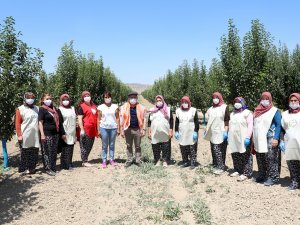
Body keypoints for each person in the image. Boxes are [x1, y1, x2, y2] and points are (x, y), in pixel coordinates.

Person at [253, 92, 281, 186]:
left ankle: (273, 177)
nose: (265, 100)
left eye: (267, 99)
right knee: (260, 156)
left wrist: (276, 138)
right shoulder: (257, 110)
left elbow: (278, 125)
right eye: (263, 98)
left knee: (271, 157)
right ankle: (262, 174)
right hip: (259, 137)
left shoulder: (274, 110)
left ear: (270, 99)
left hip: (270, 137)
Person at [228, 97, 253, 181]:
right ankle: (238, 170)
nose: (236, 103)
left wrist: (248, 137)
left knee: (245, 155)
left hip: (244, 138)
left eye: (239, 101)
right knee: (235, 154)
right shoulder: (232, 114)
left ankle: (246, 173)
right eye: (235, 102)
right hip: (234, 138)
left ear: (242, 103)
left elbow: (250, 125)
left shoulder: (247, 113)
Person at [204, 92, 230, 175]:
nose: (215, 99)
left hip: (221, 131)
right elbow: (209, 120)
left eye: (217, 97)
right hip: (212, 132)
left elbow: (227, 120)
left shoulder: (224, 107)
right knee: (213, 149)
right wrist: (206, 130)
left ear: (220, 98)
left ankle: (221, 167)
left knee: (219, 150)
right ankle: (216, 164)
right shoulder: (210, 109)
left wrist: (226, 131)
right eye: (213, 97)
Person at [120, 91, 146, 167]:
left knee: (138, 145)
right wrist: (121, 130)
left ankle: (138, 160)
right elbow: (121, 119)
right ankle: (129, 160)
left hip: (138, 129)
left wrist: (143, 129)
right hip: (127, 129)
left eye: (134, 97)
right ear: (128, 99)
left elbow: (144, 119)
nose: (133, 99)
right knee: (129, 145)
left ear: (137, 98)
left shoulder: (141, 107)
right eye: (131, 98)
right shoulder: (123, 107)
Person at [15, 92, 40, 175]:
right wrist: (19, 135)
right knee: (25, 151)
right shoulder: (20, 109)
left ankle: (32, 168)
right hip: (25, 134)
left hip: (35, 134)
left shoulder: (37, 108)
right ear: (25, 98)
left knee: (34, 151)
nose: (30, 99)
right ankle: (23, 169)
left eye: (32, 97)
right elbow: (17, 123)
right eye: (28, 97)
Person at [280, 93, 300, 191]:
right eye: (291, 101)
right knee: (292, 163)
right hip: (289, 143)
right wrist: (282, 141)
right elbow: (282, 129)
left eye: (295, 101)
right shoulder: (284, 114)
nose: (293, 102)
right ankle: (294, 182)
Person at [148, 95, 173, 167]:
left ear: (163, 101)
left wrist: (171, 130)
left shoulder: (167, 109)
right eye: (157, 101)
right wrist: (149, 132)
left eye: (160, 100)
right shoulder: (152, 110)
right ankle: (157, 160)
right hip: (155, 132)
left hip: (165, 131)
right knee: (155, 146)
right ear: (155, 102)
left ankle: (165, 161)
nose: (159, 102)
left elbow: (171, 120)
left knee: (166, 146)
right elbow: (149, 122)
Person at [38, 93, 61, 176]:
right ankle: (48, 168)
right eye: (47, 99)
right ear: (43, 100)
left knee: (54, 151)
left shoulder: (54, 108)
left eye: (50, 98)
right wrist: (42, 134)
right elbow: (40, 122)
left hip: (55, 133)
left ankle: (53, 167)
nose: (49, 100)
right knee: (47, 152)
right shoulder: (42, 109)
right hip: (47, 133)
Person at [175, 96, 199, 169]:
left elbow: (196, 122)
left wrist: (195, 132)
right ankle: (185, 161)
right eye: (183, 102)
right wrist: (176, 131)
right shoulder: (178, 111)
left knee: (192, 148)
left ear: (189, 102)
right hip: (182, 132)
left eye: (186, 102)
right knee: (183, 147)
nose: (184, 104)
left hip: (191, 132)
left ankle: (193, 162)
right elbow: (177, 122)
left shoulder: (193, 110)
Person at [97, 91, 120, 168]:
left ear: (111, 97)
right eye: (105, 97)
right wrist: (98, 130)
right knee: (104, 145)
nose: (107, 98)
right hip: (103, 128)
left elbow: (117, 118)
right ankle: (104, 160)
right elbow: (98, 119)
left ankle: (111, 159)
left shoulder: (115, 106)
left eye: (108, 97)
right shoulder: (100, 107)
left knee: (112, 144)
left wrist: (118, 128)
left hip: (113, 128)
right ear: (103, 98)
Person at [77, 91, 98, 167]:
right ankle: (84, 161)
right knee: (84, 146)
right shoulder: (81, 107)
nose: (87, 97)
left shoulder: (93, 106)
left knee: (90, 145)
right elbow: (79, 119)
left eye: (88, 95)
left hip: (93, 129)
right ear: (83, 98)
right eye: (85, 96)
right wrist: (82, 129)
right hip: (85, 129)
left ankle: (85, 159)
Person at [57, 94, 76, 170]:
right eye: (63, 100)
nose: (65, 101)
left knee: (71, 147)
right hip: (65, 130)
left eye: (67, 99)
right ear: (61, 101)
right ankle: (65, 164)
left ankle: (69, 162)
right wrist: (62, 133)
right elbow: (60, 122)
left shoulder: (72, 108)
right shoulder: (60, 109)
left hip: (72, 131)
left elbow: (75, 118)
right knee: (65, 148)